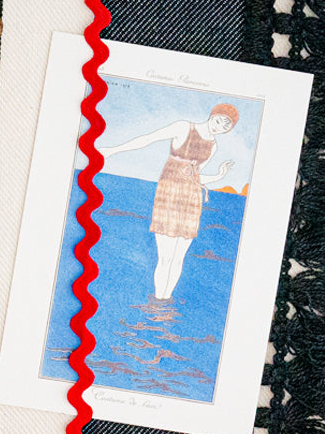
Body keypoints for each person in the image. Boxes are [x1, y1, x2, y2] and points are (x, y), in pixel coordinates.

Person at [101, 104, 239, 300]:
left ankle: (165, 301)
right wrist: (112, 150)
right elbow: (147, 139)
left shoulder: (213, 145)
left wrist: (219, 176)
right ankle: (157, 300)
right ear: (212, 115)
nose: (220, 127)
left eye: (226, 126)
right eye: (220, 120)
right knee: (165, 256)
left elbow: (196, 176)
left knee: (178, 258)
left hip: (191, 197)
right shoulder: (184, 127)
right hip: (169, 193)